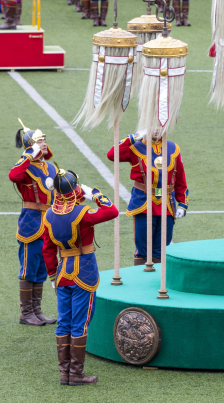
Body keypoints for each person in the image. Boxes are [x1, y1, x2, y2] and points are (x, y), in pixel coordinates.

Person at [42, 168, 119, 385]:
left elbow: (47, 250)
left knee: (64, 322)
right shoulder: (81, 212)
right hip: (84, 272)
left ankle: (65, 373)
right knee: (80, 324)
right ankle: (76, 374)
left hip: (62, 274)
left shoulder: (48, 215)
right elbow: (111, 211)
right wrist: (93, 192)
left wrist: (52, 276)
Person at [106, 131, 189, 265]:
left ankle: (158, 283)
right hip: (143, 204)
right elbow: (111, 155)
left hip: (167, 205)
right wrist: (132, 138)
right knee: (142, 252)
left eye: (159, 125)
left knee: (162, 250)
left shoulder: (173, 148)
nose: (156, 130)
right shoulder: (135, 147)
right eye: (151, 125)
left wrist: (183, 203)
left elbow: (180, 178)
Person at [8, 122, 58, 326]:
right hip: (32, 221)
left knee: (41, 268)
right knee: (28, 267)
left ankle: (36, 310)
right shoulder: (25, 166)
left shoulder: (51, 167)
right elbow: (13, 175)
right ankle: (26, 313)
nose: (44, 143)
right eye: (39, 141)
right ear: (30, 145)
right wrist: (28, 155)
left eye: (44, 140)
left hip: (49, 222)